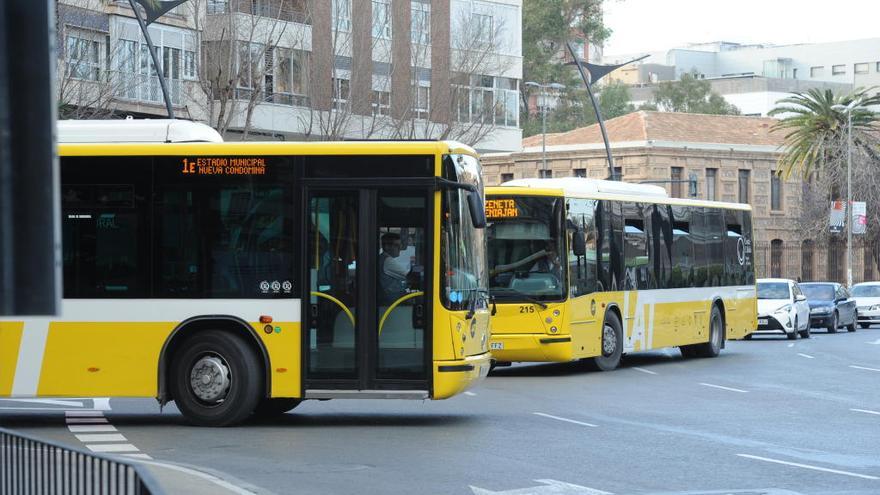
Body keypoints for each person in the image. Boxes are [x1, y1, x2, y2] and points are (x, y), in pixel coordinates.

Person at [379, 232, 408, 304]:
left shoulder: (382, 258)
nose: (400, 248)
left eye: (400, 245)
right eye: (397, 245)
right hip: (391, 303)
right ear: (386, 246)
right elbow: (407, 275)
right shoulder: (387, 261)